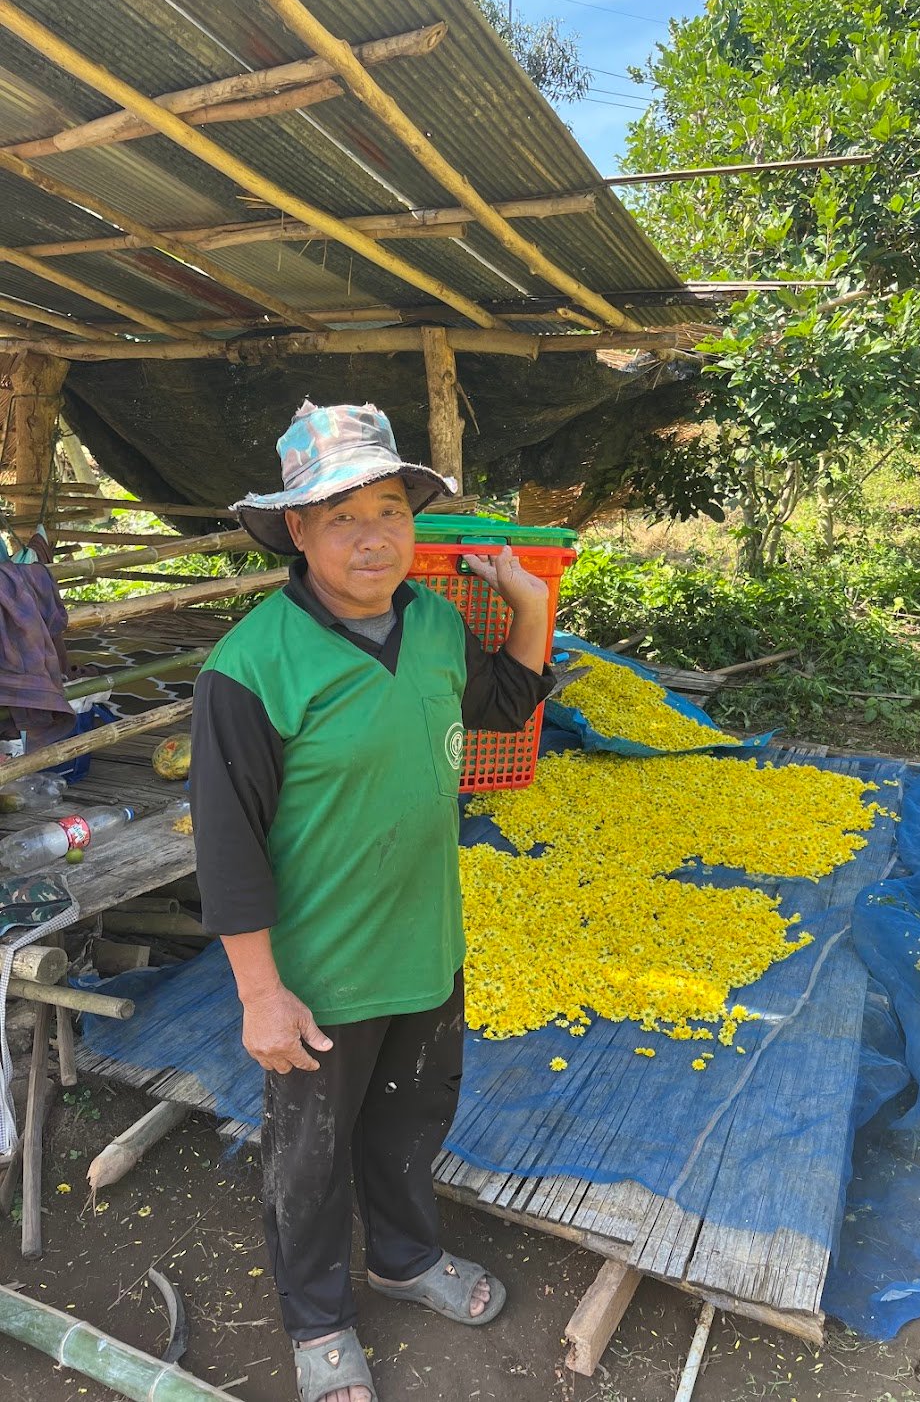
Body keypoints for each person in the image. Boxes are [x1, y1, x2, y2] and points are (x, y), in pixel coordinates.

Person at [190, 401, 554, 1402]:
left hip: (425, 945)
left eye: (390, 510)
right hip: (322, 973)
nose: (372, 537)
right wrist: (261, 994)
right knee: (308, 1158)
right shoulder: (250, 668)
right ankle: (316, 1322)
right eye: (341, 516)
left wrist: (527, 606)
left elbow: (502, 707)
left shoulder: (431, 622)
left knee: (407, 1122)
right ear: (296, 530)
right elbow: (226, 851)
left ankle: (404, 1258)